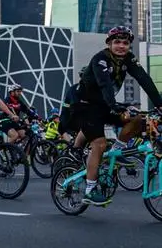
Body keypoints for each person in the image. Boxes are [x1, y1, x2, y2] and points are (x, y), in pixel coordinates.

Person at [66, 26, 162, 204]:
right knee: (99, 144)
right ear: (109, 43)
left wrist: (160, 105)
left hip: (105, 106)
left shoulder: (128, 59)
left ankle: (116, 150)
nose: (121, 46)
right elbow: (105, 85)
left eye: (125, 43)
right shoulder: (100, 59)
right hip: (85, 107)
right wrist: (114, 106)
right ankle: (89, 190)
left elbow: (144, 79)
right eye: (117, 42)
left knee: (136, 119)